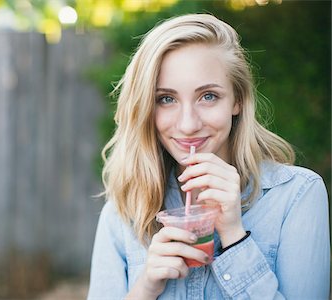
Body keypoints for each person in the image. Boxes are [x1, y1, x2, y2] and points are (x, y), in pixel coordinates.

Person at [87, 13, 330, 300]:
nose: (188, 124)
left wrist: (234, 236)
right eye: (166, 99)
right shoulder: (124, 211)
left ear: (237, 100)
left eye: (208, 96)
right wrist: (145, 288)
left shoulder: (297, 196)